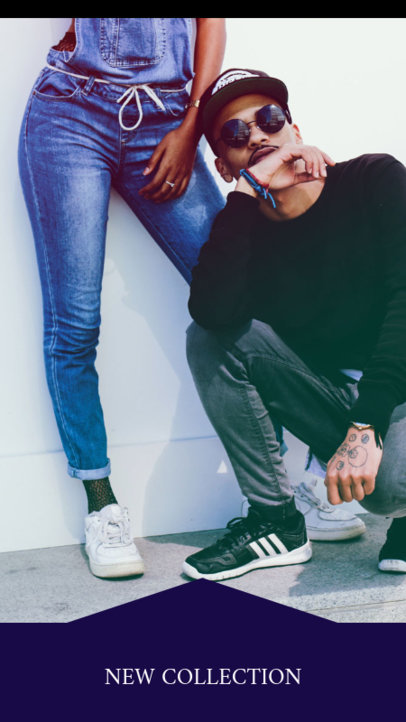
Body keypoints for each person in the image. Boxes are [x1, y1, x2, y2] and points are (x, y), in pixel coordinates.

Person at [18, 18, 226, 579]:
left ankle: (295, 483)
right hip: (69, 113)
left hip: (167, 116)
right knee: (74, 323)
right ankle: (101, 504)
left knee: (239, 293)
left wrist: (192, 125)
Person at [183, 68, 406, 581]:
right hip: (337, 400)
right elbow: (212, 316)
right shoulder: (242, 234)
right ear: (224, 166)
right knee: (209, 338)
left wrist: (366, 425)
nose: (257, 135)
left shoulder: (372, 179)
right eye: (235, 134)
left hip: (392, 394)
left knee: (392, 488)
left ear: (294, 129)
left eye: (269, 119)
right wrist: (246, 194)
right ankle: (276, 522)